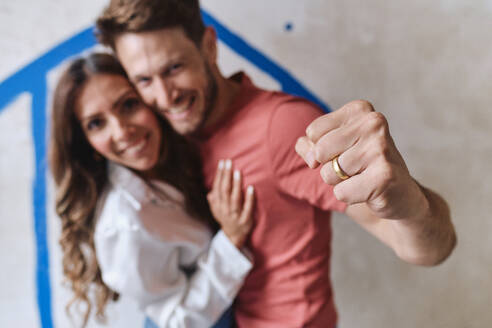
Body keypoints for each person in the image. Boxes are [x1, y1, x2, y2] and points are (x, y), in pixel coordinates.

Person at [95, 1, 457, 327]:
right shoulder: (166, 139)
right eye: (143, 80)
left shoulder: (281, 128)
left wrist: (410, 201)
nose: (163, 96)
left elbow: (430, 249)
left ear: (208, 45)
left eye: (174, 68)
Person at [49, 52, 256, 328]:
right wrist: (230, 241)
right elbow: (177, 322)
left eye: (129, 105)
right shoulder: (125, 223)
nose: (122, 131)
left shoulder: (179, 153)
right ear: (86, 143)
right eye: (96, 123)